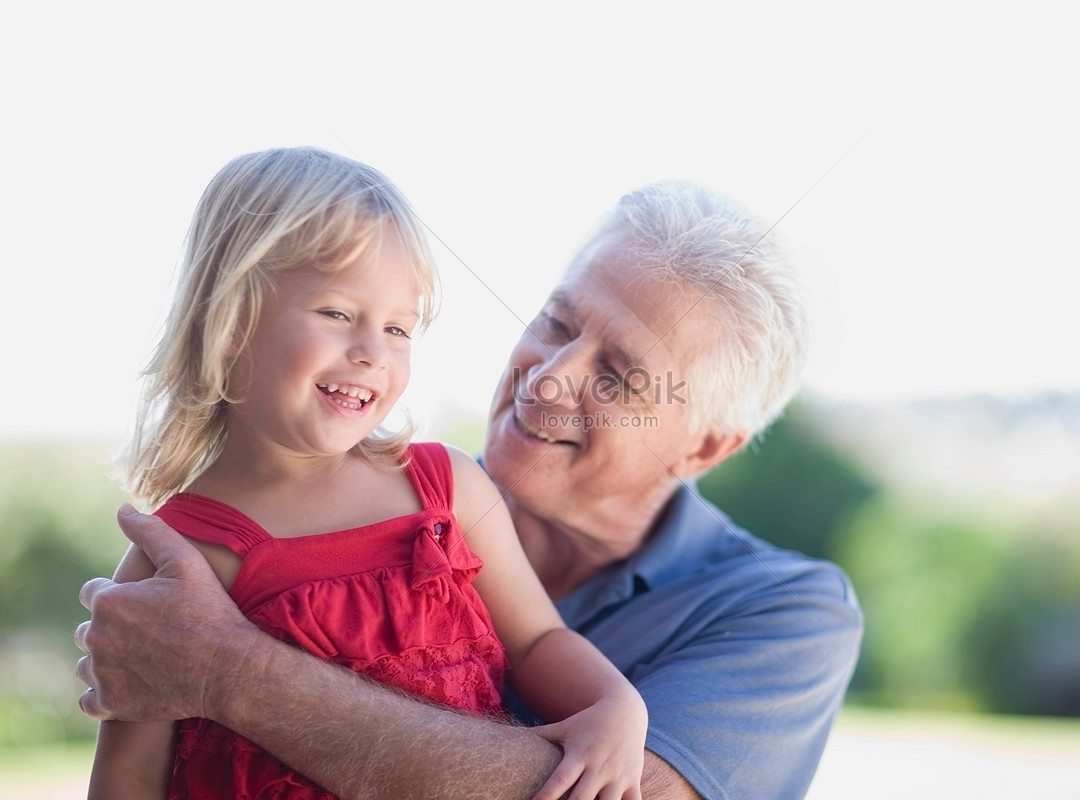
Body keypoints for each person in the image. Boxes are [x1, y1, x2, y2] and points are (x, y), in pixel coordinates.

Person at [77, 178, 863, 799]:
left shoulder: (786, 615)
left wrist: (228, 672)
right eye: (556, 323)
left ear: (705, 447)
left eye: (620, 375)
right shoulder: (405, 499)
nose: (548, 379)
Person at [85, 146, 648, 800]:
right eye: (337, 314)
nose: (372, 352)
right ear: (233, 319)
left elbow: (539, 640)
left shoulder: (448, 490)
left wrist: (616, 708)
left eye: (399, 328)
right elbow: (127, 778)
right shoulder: (179, 557)